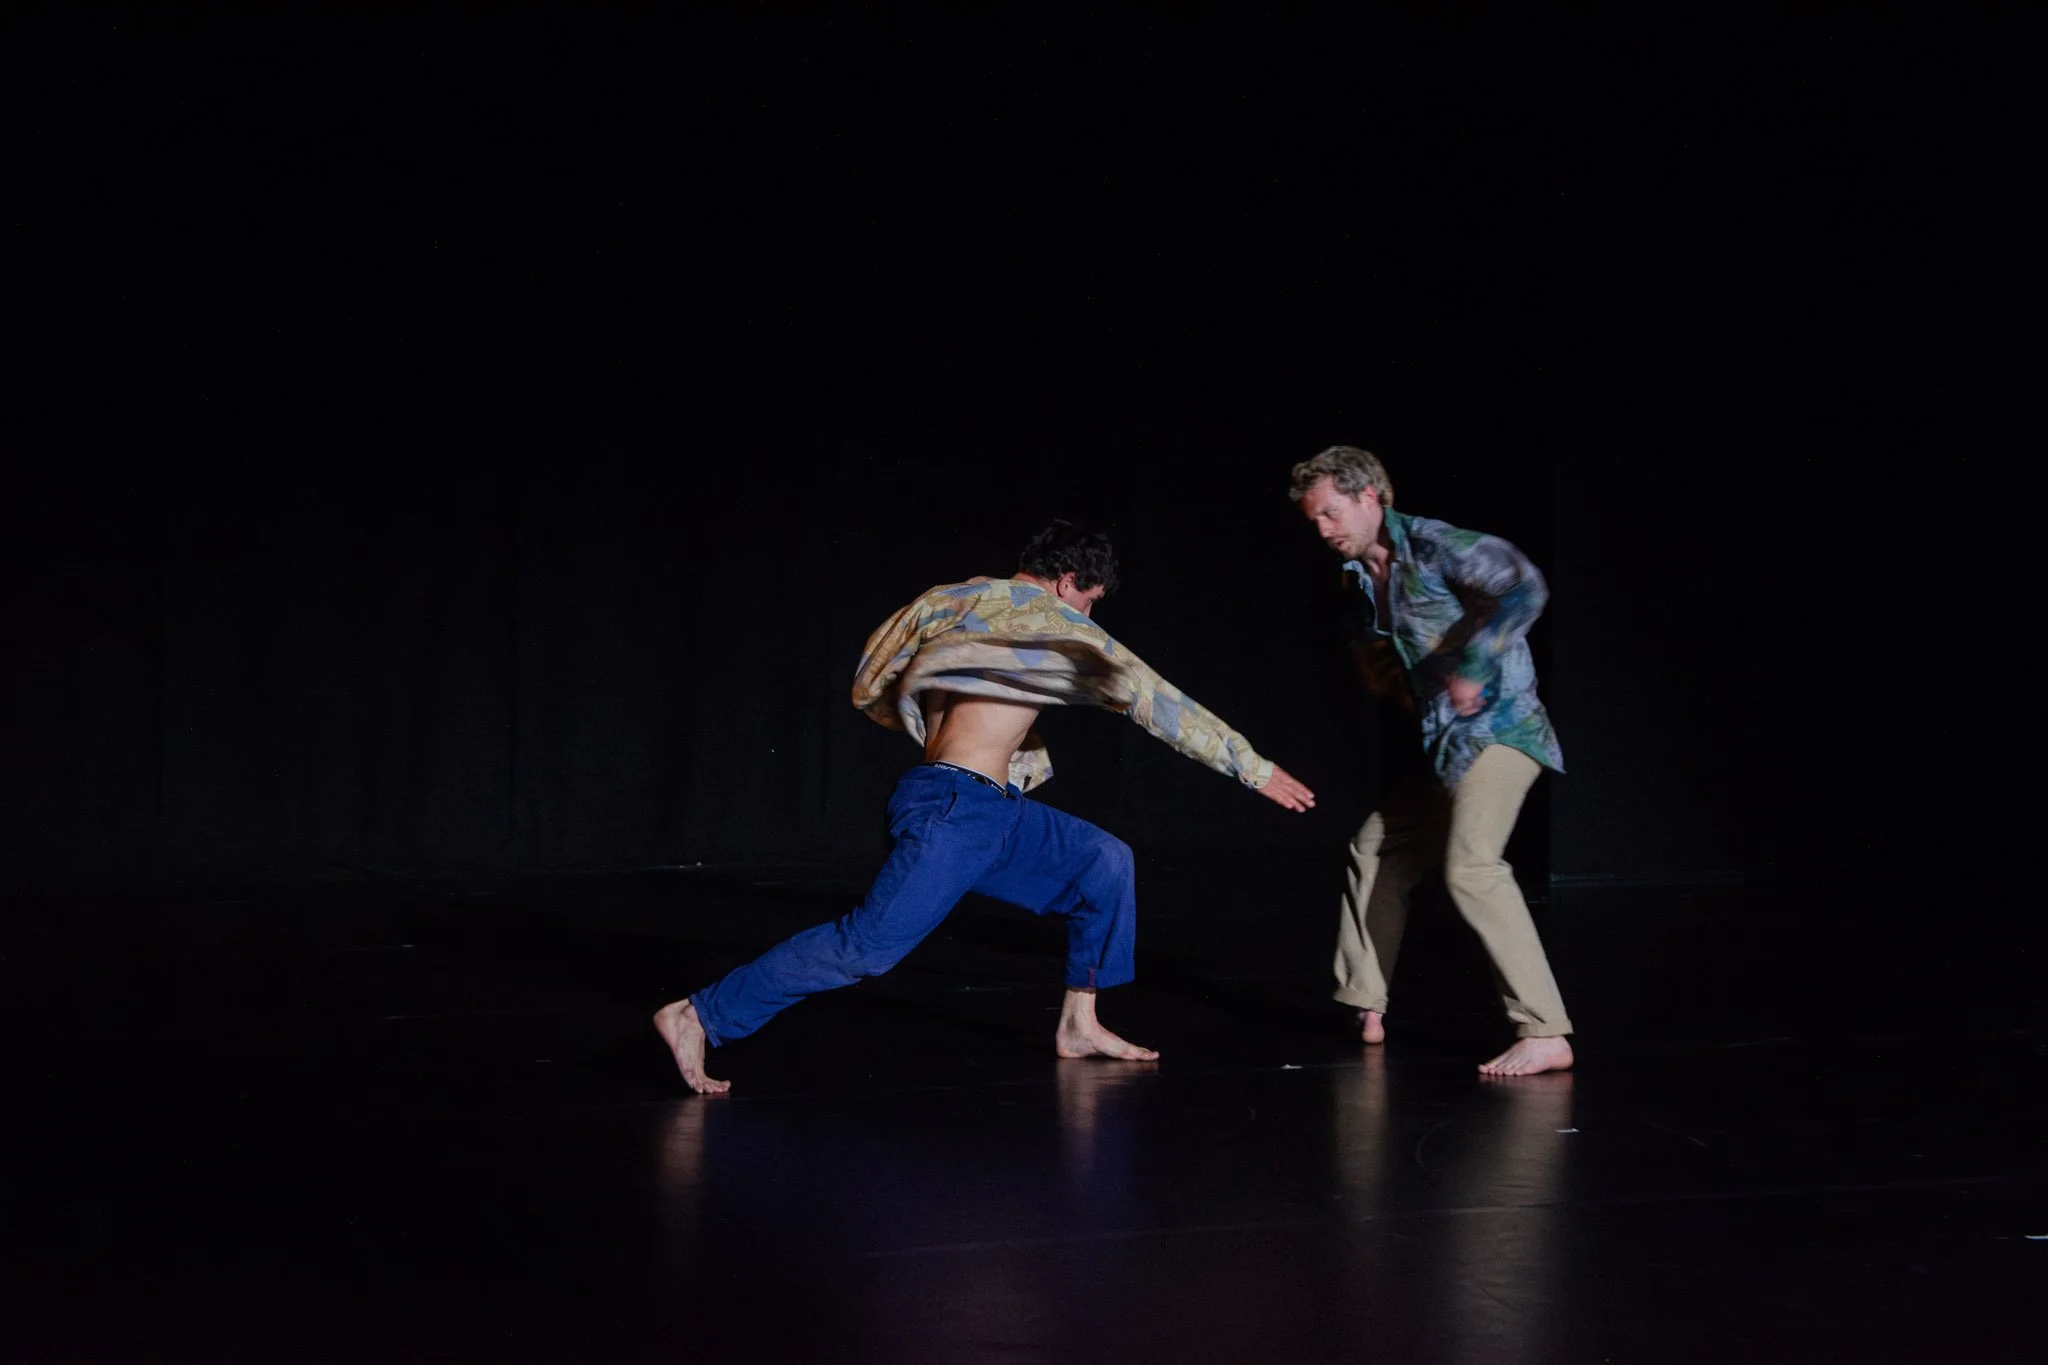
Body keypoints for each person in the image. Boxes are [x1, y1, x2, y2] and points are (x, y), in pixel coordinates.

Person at [654, 520, 1316, 1094]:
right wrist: (1253, 770)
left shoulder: (952, 599)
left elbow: (872, 675)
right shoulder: (1052, 622)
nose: (1092, 615)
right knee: (867, 947)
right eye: (1092, 598)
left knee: (1104, 862)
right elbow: (1157, 699)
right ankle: (699, 1015)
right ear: (1067, 581)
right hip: (954, 807)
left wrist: (933, 719)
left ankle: (1078, 1020)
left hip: (984, 806)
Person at [1291, 446, 1574, 1076]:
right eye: (1313, 520)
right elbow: (1378, 654)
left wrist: (1475, 665)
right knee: (1377, 849)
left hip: (1501, 729)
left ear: (1370, 497)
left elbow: (1524, 585)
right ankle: (1367, 999)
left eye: (1332, 513)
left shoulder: (1435, 543)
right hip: (1446, 744)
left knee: (1472, 865)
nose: (1323, 529)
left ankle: (1545, 1029)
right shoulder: (1358, 579)